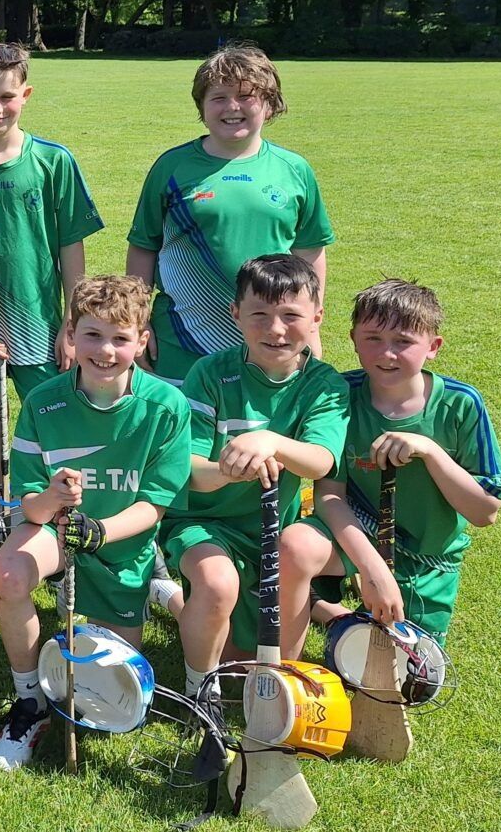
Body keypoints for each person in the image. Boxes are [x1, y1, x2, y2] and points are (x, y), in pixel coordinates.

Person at [0, 275, 191, 769]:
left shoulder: (168, 407)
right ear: (71, 335)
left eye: (120, 338)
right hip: (56, 533)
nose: (105, 350)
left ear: (142, 341)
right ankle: (30, 701)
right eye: (93, 335)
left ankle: (154, 585)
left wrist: (99, 533)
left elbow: (154, 507)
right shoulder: (44, 402)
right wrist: (51, 498)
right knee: (7, 574)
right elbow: (29, 508)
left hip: (122, 546)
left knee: (110, 685)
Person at [157, 254, 348, 702]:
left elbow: (320, 462)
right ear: (235, 314)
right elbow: (189, 471)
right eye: (259, 314)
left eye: (291, 316)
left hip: (268, 534)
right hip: (201, 524)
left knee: (243, 664)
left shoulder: (324, 385)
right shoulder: (210, 373)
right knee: (216, 586)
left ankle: (165, 594)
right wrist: (227, 471)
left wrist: (270, 441)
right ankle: (200, 696)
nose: (275, 329)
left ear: (317, 317)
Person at [279, 280, 501, 654]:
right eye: (373, 338)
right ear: (353, 339)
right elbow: (330, 497)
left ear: (433, 346)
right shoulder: (341, 394)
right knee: (295, 546)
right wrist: (374, 571)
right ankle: (287, 672)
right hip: (355, 537)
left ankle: (329, 611)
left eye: (403, 341)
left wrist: (430, 452)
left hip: (425, 558)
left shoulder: (461, 404)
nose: (387, 353)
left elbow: (485, 512)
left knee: (413, 671)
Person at [0, 43, 103, 576]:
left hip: (43, 328)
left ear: (26, 94)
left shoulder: (53, 161)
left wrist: (73, 323)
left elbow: (70, 249)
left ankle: (59, 529)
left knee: (56, 428)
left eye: (7, 96)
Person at [125, 43, 335, 385]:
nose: (232, 107)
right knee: (183, 418)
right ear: (202, 106)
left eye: (245, 96)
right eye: (218, 97)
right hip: (182, 339)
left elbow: (309, 251)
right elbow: (144, 246)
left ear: (269, 104)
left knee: (259, 418)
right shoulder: (172, 167)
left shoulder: (293, 169)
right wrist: (136, 318)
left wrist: (309, 325)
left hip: (271, 337)